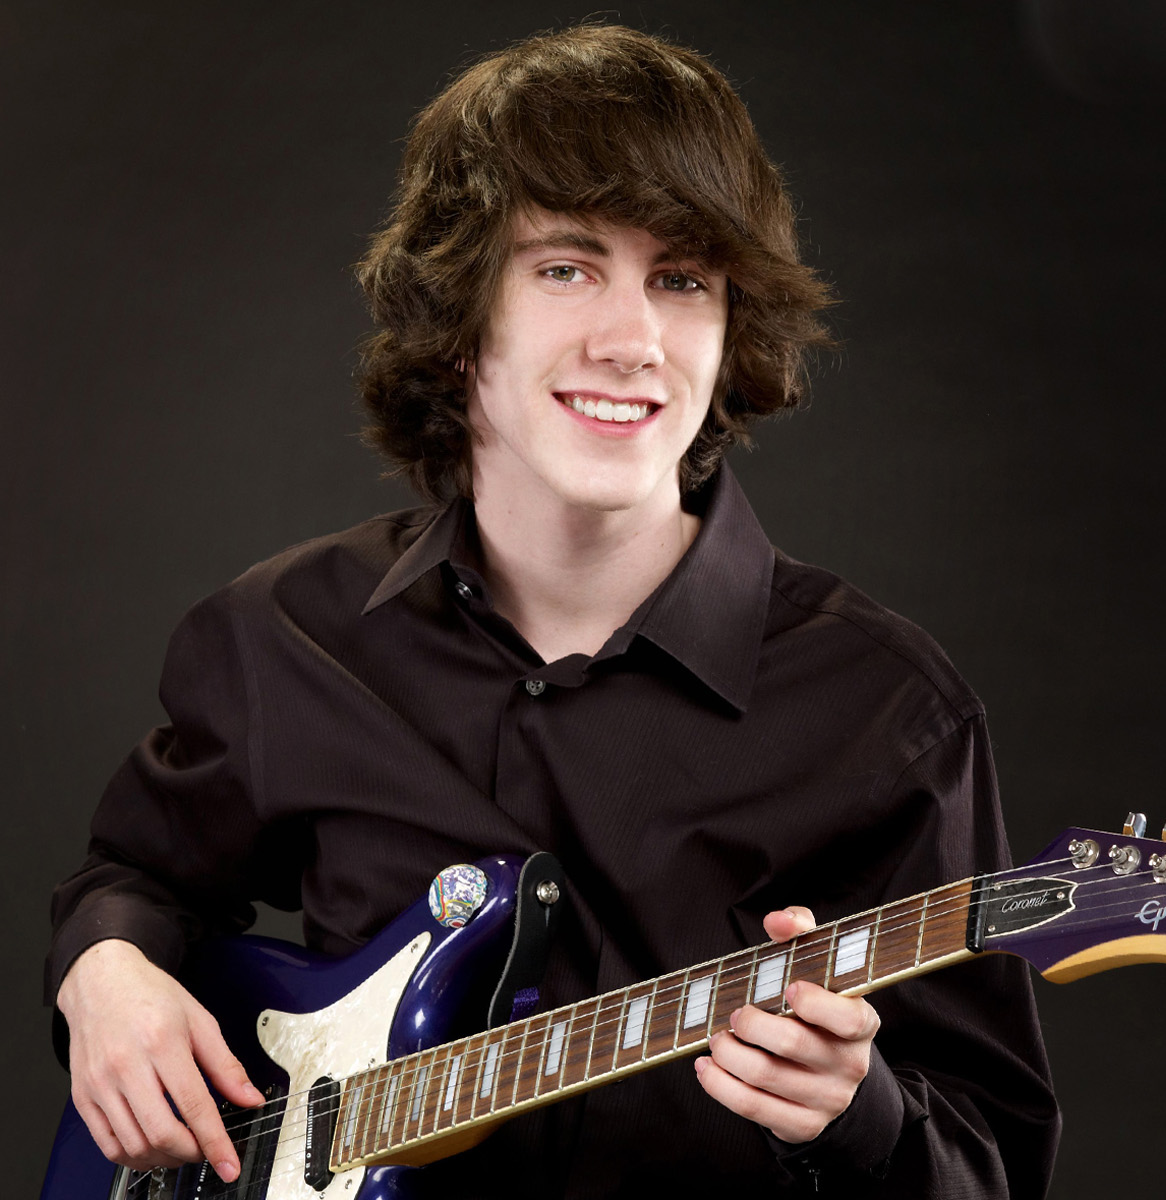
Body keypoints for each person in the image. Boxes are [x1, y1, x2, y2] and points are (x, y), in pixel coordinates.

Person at [46, 24, 1060, 1197]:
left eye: (680, 280)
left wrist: (855, 1116)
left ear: (733, 331)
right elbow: (138, 874)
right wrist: (107, 967)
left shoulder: (887, 715)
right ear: (459, 312)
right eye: (565, 268)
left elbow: (991, 1168)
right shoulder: (281, 637)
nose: (630, 341)